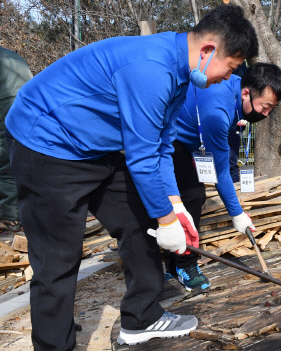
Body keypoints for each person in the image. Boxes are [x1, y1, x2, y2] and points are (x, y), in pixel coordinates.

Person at [5, 5, 258, 349]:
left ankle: (143, 318)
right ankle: (53, 344)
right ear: (208, 50)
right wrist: (168, 220)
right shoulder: (151, 69)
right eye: (230, 68)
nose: (228, 78)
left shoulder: (180, 71)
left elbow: (162, 146)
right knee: (58, 256)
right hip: (47, 143)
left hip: (95, 145)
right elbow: (141, 158)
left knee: (141, 221)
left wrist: (172, 206)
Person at [169, 63, 281, 290]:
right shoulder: (218, 112)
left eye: (271, 109)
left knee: (192, 195)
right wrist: (237, 214)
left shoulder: (236, 89)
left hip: (193, 139)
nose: (266, 114)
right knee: (192, 195)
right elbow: (221, 172)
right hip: (172, 137)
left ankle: (173, 263)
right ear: (246, 93)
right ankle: (183, 264)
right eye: (265, 107)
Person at [0, 47, 32, 233]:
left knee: (4, 160)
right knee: (21, 156)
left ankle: (10, 219)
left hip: (5, 103)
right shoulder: (9, 54)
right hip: (27, 100)